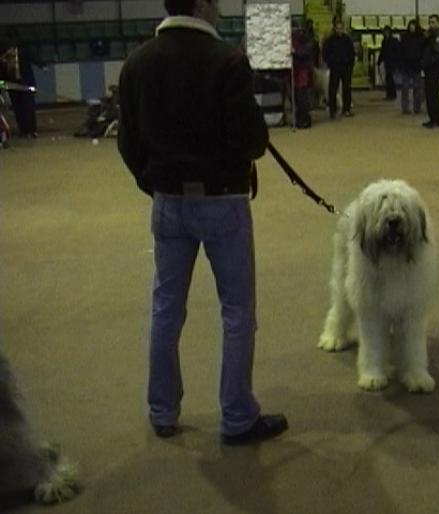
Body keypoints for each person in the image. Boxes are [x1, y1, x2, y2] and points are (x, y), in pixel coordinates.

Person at [117, 0, 288, 444]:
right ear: (203, 6)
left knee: (165, 308)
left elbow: (128, 142)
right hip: (223, 202)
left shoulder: (137, 62)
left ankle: (162, 411)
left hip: (167, 203)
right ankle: (236, 416)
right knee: (236, 310)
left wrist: (154, 181)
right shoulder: (228, 61)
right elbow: (253, 139)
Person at [322, 19, 355, 118]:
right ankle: (332, 111)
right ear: (335, 29)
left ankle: (346, 109)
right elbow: (325, 53)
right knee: (332, 89)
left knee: (347, 89)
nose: (340, 30)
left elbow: (352, 54)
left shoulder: (348, 40)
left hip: (346, 68)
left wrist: (350, 65)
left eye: (341, 28)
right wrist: (330, 62)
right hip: (335, 68)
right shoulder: (330, 40)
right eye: (338, 28)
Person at [421, 14, 439, 128]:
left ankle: (434, 119)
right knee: (431, 94)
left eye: (433, 22)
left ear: (438, 22)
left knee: (432, 95)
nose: (431, 24)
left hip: (433, 68)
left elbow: (438, 53)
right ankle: (437, 119)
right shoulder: (431, 35)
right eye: (430, 22)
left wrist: (428, 63)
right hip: (430, 68)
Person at [399, 19, 425, 115]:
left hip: (417, 65)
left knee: (417, 88)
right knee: (405, 88)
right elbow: (401, 51)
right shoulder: (404, 37)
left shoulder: (421, 38)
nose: (411, 27)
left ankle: (417, 107)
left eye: (413, 25)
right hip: (406, 65)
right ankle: (405, 107)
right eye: (410, 25)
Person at [292, 25, 316, 128]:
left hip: (303, 70)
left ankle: (304, 119)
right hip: (295, 70)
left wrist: (295, 52)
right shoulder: (292, 38)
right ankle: (299, 119)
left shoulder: (305, 39)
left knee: (302, 96)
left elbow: (307, 52)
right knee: (297, 96)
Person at [377, 25, 400, 100]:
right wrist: (379, 61)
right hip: (387, 62)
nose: (386, 33)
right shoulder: (384, 41)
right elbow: (382, 52)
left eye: (387, 32)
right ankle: (390, 94)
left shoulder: (394, 40)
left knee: (390, 79)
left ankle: (392, 94)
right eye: (385, 32)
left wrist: (397, 62)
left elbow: (397, 52)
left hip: (393, 62)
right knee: (388, 79)